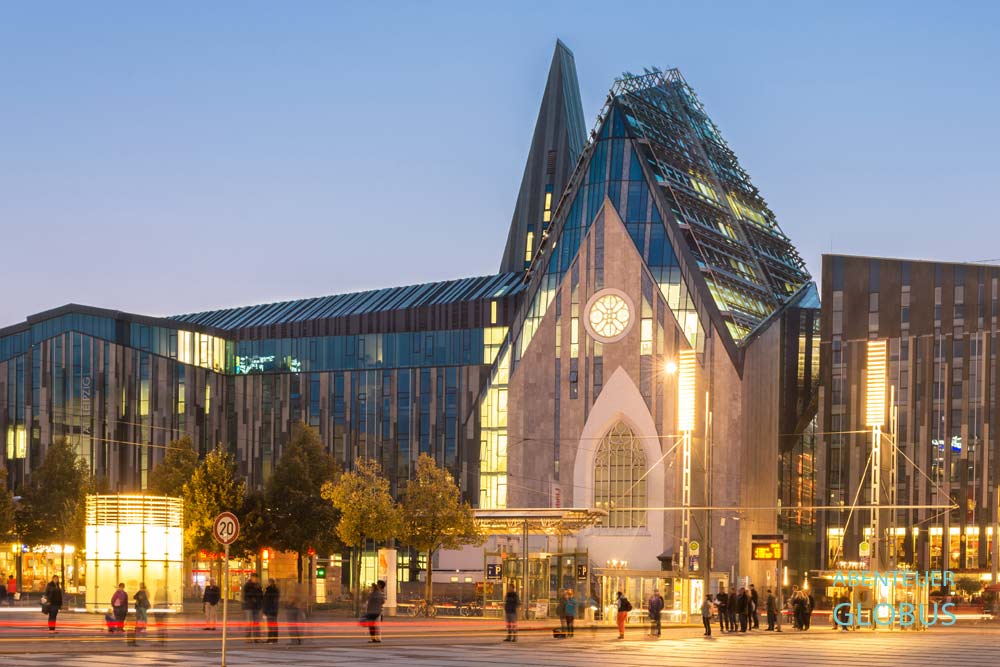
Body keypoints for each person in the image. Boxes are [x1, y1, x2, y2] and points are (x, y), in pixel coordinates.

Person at [243, 573, 263, 642]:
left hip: (257, 606)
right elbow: (246, 595)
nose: (255, 579)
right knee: (249, 622)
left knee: (256, 622)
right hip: (249, 606)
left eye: (256, 578)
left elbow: (261, 595)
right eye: (254, 578)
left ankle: (257, 638)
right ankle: (248, 638)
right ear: (251, 578)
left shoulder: (258, 586)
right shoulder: (247, 585)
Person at [263, 578, 280, 643]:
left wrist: (265, 610)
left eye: (268, 582)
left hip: (270, 610)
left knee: (271, 625)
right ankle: (274, 639)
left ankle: (271, 638)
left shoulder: (269, 590)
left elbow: (266, 601)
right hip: (273, 610)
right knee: (273, 625)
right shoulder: (275, 590)